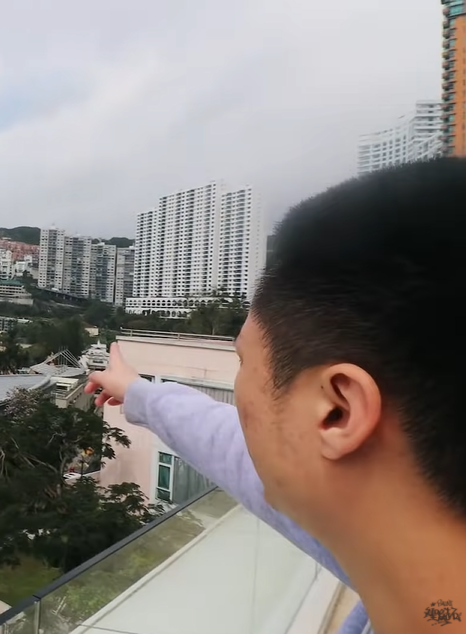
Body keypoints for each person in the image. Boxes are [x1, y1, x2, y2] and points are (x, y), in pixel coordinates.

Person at [86, 157, 466, 634]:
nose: (241, 389)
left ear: (337, 411)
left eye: (244, 361)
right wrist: (139, 393)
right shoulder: (406, 555)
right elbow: (231, 446)